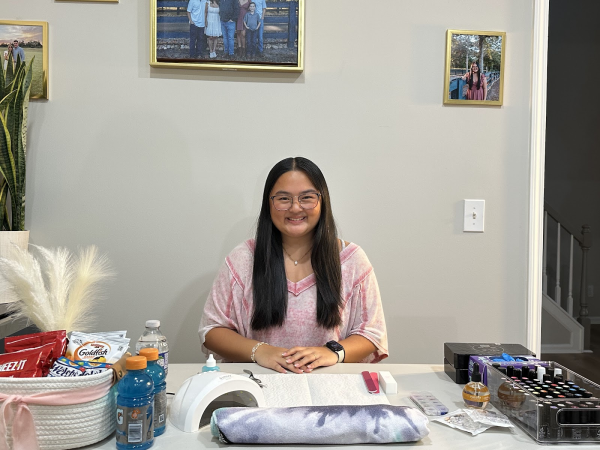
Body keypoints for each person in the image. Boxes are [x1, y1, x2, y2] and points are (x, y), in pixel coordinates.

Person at [199, 157, 388, 374]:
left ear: (322, 201)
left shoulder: (352, 260)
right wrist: (260, 351)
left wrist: (333, 352)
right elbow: (212, 330)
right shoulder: (243, 259)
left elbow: (372, 333)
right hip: (258, 385)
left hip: (329, 388)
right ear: (268, 204)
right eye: (283, 198)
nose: (295, 208)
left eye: (307, 197)